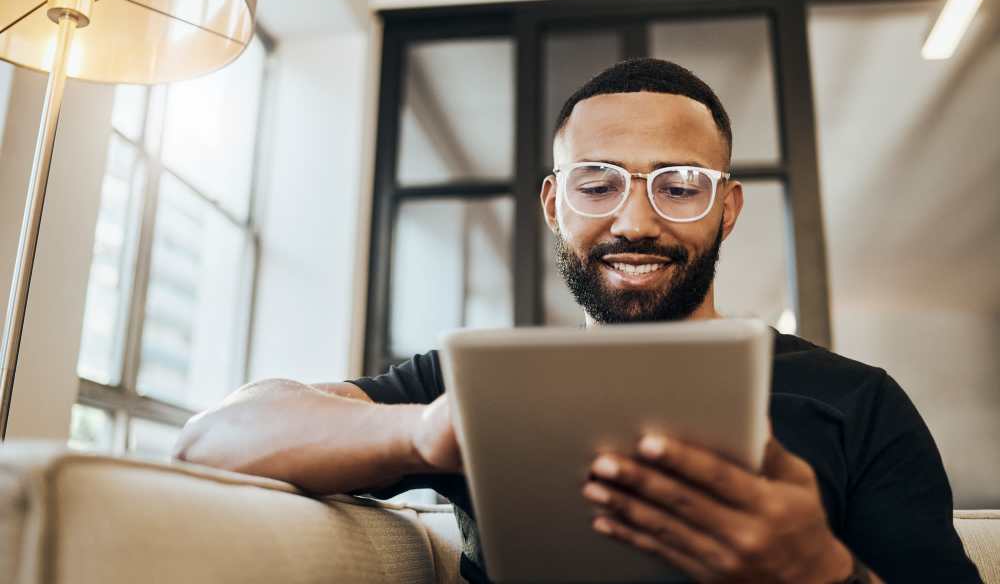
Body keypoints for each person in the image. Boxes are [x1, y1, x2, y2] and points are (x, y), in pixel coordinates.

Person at [174, 58, 982, 584]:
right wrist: (428, 432)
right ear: (556, 204)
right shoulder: (476, 388)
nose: (636, 220)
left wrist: (818, 571)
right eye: (598, 183)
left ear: (727, 209)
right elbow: (212, 440)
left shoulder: (858, 402)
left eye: (680, 184)